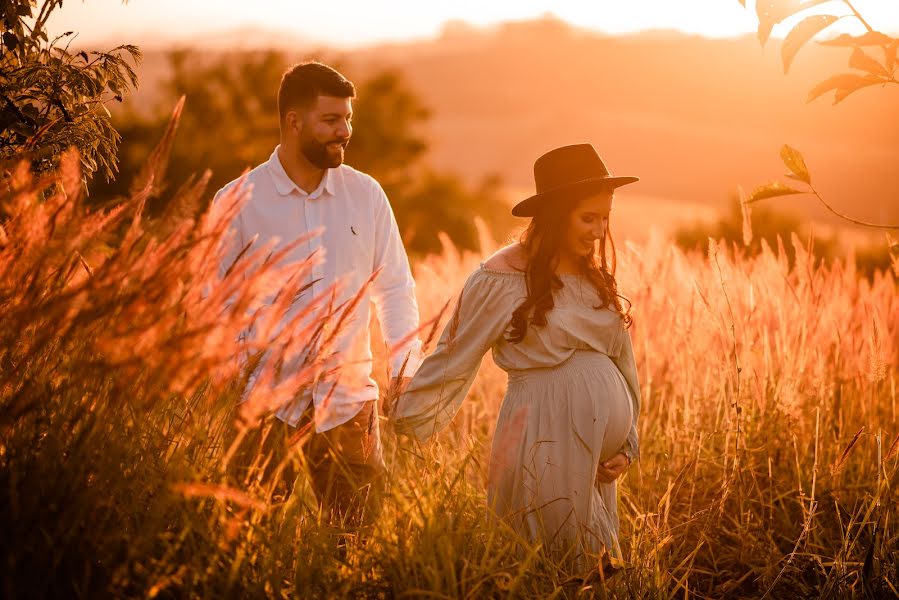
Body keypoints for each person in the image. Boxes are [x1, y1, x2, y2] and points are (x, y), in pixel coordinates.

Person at [392, 143, 641, 571]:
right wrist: (402, 417)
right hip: (543, 430)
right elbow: (453, 356)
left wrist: (630, 443)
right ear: (555, 213)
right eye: (588, 218)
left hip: (599, 457)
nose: (599, 231)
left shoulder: (594, 275)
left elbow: (623, 361)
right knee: (557, 564)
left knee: (597, 570)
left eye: (605, 218)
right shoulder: (501, 277)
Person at [216, 61, 423, 522]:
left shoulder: (366, 195)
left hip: (349, 404)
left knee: (356, 544)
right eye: (331, 120)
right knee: (247, 540)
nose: (344, 130)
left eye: (348, 118)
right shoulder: (238, 201)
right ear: (294, 121)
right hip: (264, 408)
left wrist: (405, 364)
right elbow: (217, 306)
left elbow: (393, 287)